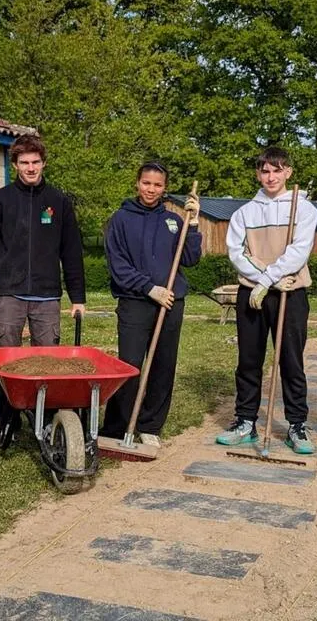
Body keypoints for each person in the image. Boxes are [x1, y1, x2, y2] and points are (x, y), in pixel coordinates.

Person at [0, 134, 86, 445]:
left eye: (35, 162)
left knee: (48, 362)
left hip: (47, 295)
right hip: (8, 293)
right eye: (24, 163)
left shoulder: (59, 201)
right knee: (8, 363)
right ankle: (6, 419)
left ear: (44, 163)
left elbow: (71, 252)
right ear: (15, 165)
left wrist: (78, 297)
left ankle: (46, 419)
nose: (30, 168)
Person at [217, 147, 317, 454]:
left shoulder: (304, 209)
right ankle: (245, 421)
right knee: (249, 359)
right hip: (253, 294)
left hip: (291, 291)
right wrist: (266, 280)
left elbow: (299, 252)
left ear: (288, 172)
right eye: (265, 171)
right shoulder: (244, 213)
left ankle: (297, 424)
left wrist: (271, 278)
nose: (271, 177)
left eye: (277, 170)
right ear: (258, 174)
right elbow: (237, 253)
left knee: (291, 360)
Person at [100, 162, 202, 448]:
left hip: (170, 303)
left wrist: (193, 222)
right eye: (146, 183)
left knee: (163, 365)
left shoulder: (174, 220)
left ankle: (150, 425)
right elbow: (118, 266)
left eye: (157, 185)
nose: (151, 189)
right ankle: (116, 427)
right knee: (130, 365)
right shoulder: (120, 219)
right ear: (137, 183)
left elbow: (190, 258)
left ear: (164, 188)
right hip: (135, 302)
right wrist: (149, 288)